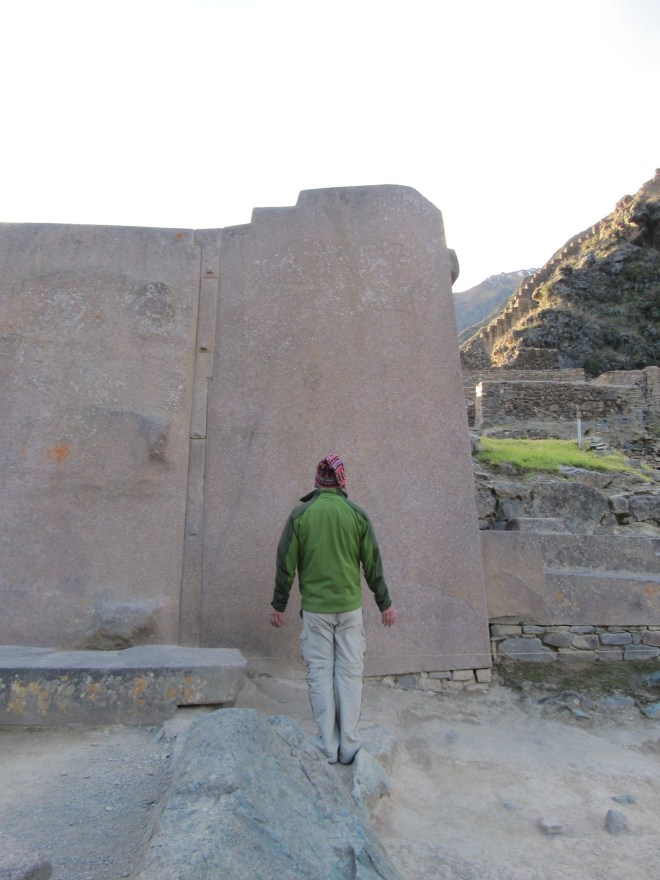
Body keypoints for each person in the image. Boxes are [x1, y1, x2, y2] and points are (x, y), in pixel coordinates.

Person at [269, 453, 396, 764]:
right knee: (350, 674)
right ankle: (350, 745)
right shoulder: (357, 514)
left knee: (320, 674)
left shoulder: (301, 515)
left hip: (315, 613)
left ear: (317, 480)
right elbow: (372, 564)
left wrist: (278, 605)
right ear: (341, 480)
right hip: (349, 610)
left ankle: (326, 745)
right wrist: (385, 603)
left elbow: (286, 564)